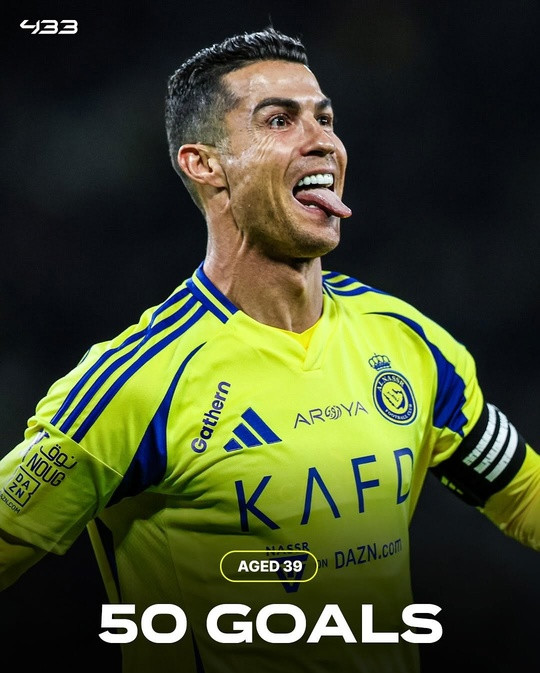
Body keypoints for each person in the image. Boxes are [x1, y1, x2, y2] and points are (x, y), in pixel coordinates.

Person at [0, 26, 538, 673]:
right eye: (280, 120)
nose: (322, 141)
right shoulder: (139, 384)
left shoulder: (406, 341)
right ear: (205, 164)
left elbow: (523, 492)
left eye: (325, 119)